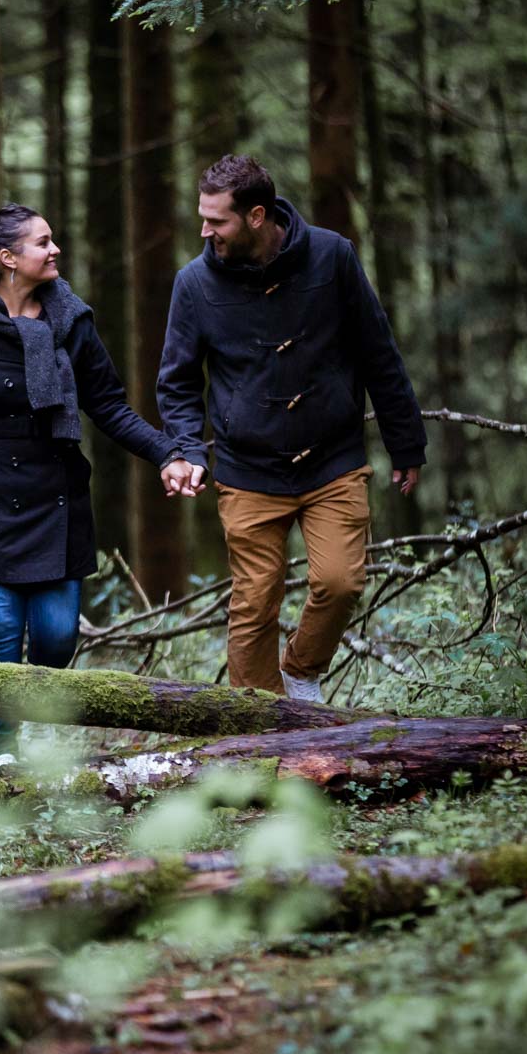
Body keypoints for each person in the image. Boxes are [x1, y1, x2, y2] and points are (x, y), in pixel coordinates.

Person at [0, 199, 200, 762]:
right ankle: (2, 751)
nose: (56, 251)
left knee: (55, 636)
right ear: (8, 258)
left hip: (55, 497)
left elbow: (110, 407)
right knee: (2, 629)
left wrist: (167, 454)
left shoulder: (71, 320)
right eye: (43, 242)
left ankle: (36, 710)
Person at [156, 155, 427, 704]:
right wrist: (188, 450)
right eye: (202, 219)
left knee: (340, 581)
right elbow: (178, 382)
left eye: (217, 221)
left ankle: (302, 673)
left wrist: (406, 441)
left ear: (257, 215)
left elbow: (379, 353)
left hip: (333, 458)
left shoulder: (332, 257)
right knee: (255, 601)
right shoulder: (194, 283)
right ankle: (255, 733)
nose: (205, 232)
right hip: (247, 467)